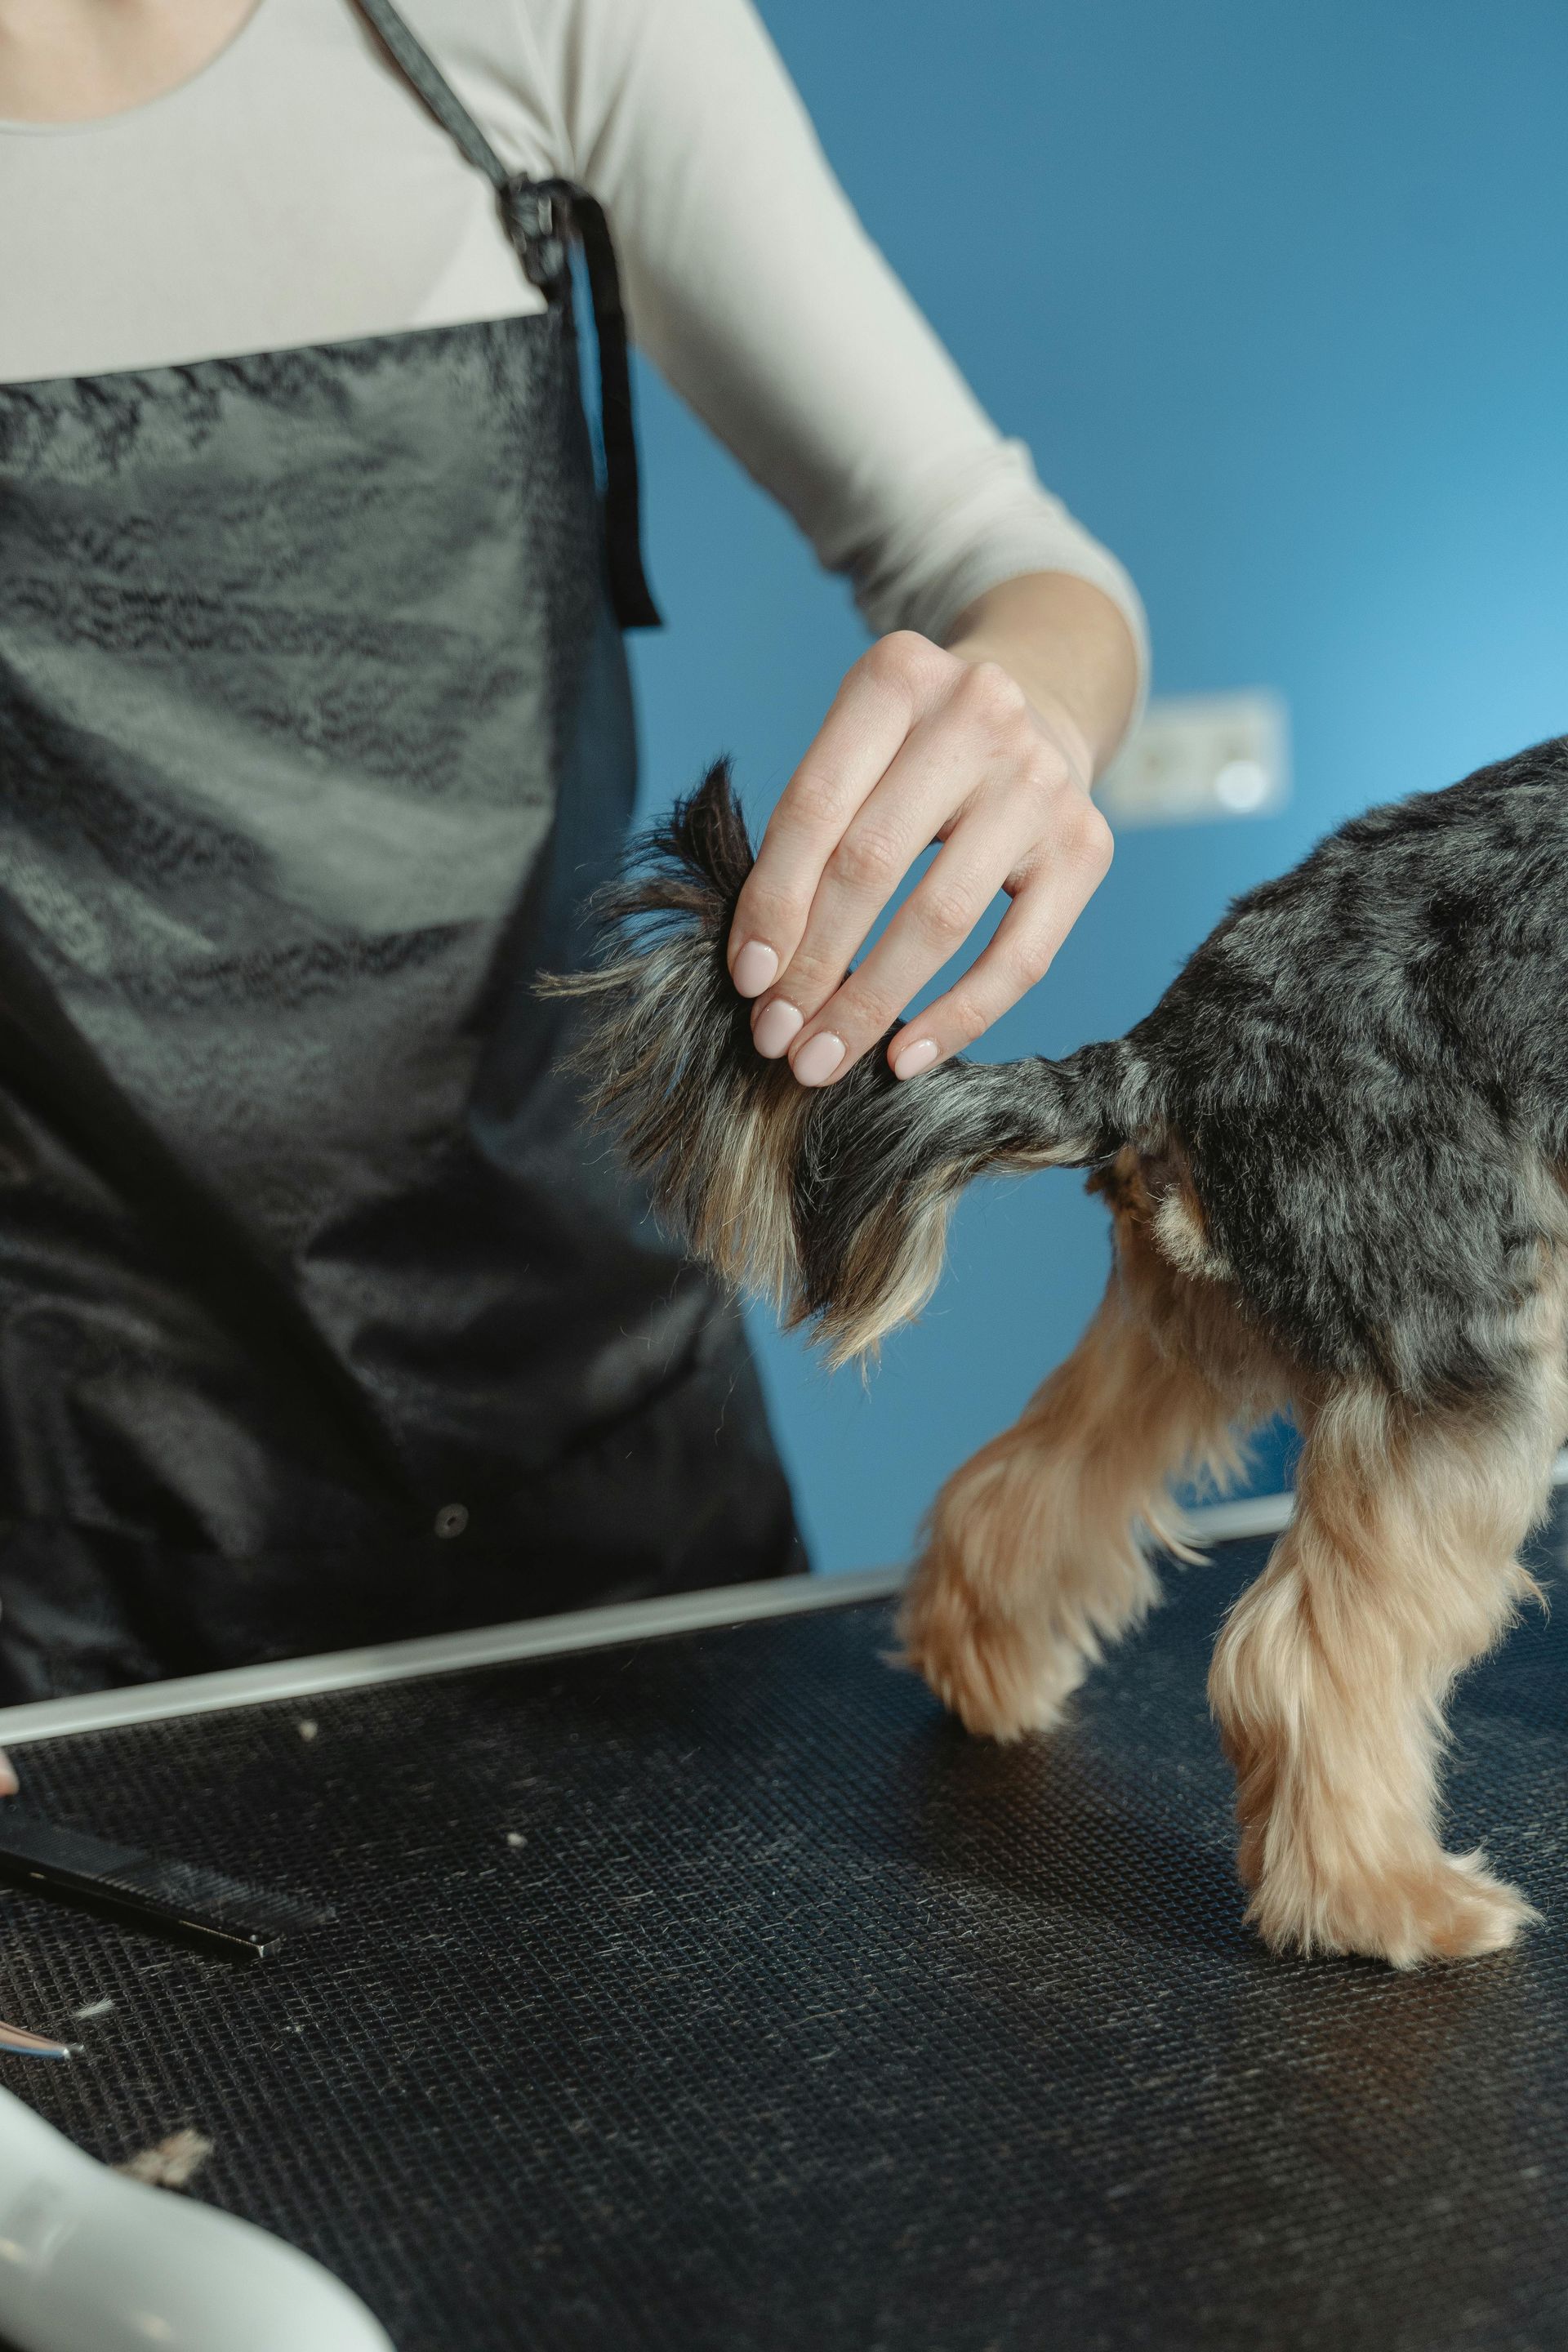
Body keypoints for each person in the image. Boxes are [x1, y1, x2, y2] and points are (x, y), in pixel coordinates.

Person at [0, 0, 1146, 1711]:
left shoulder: (548, 19)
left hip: (610, 1464)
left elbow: (1005, 558)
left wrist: (1029, 717)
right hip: (61, 1538)